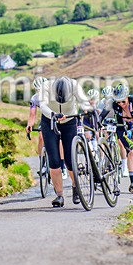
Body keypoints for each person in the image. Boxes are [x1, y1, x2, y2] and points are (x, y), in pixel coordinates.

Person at [38, 76, 92, 207]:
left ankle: (75, 186)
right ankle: (60, 195)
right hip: (50, 121)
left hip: (69, 120)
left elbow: (83, 101)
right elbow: (42, 104)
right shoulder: (45, 86)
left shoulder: (74, 85)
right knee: (54, 161)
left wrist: (87, 109)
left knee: (69, 159)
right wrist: (52, 114)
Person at [27, 76, 69, 180]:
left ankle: (63, 167)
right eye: (38, 90)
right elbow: (32, 114)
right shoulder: (35, 98)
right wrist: (29, 125)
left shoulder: (53, 95)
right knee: (41, 137)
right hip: (46, 120)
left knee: (59, 140)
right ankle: (43, 164)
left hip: (57, 118)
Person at [111, 83, 133, 193]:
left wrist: (131, 131)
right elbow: (105, 114)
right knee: (131, 153)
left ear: (127, 97)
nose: (120, 104)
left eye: (123, 102)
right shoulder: (115, 105)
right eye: (118, 102)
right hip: (123, 128)